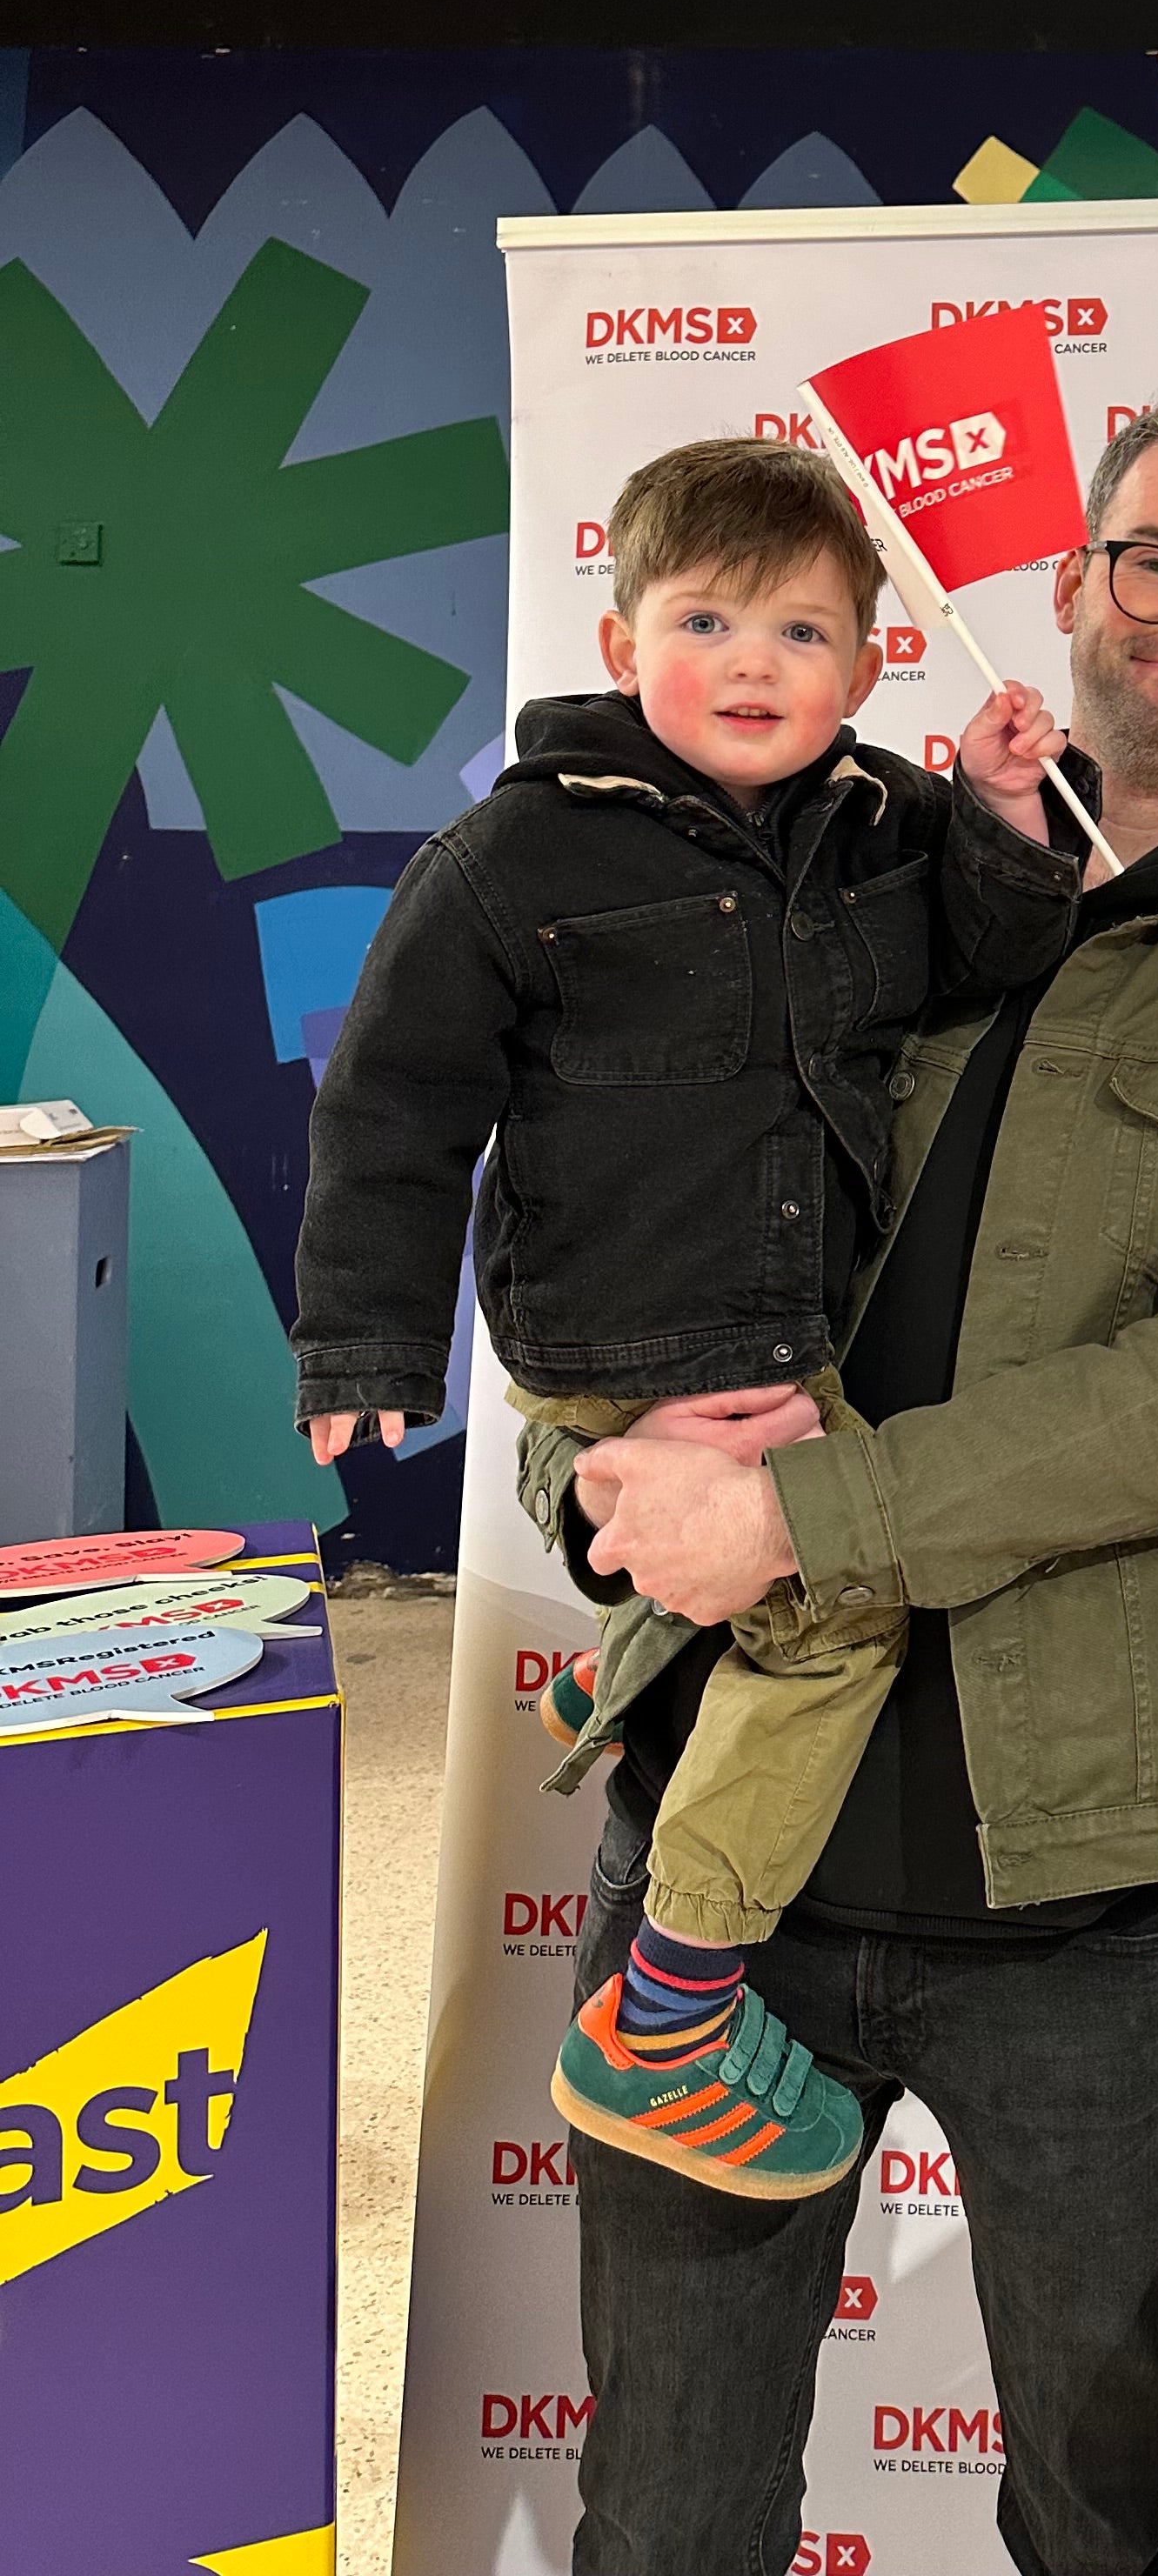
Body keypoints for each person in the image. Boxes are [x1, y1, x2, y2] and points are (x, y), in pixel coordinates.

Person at [533, 390, 1158, 2576]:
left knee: (1098, 2514)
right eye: (1155, 560)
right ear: (1071, 579)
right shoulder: (822, 850)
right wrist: (600, 1468)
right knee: (661, 2516)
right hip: (713, 1874)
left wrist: (803, 1519)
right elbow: (620, 1182)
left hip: (1083, 1906)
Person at [293, 436, 1078, 2193]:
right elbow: (394, 1109)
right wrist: (361, 1351)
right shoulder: (516, 855)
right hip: (617, 1346)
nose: (750, 663)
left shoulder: (888, 828)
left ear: (869, 666)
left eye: (801, 633)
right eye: (706, 617)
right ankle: (666, 2011)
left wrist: (1009, 810)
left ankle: (635, 1658)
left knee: (826, 1581)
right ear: (619, 629)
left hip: (797, 1333)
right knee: (846, 1611)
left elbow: (996, 959)